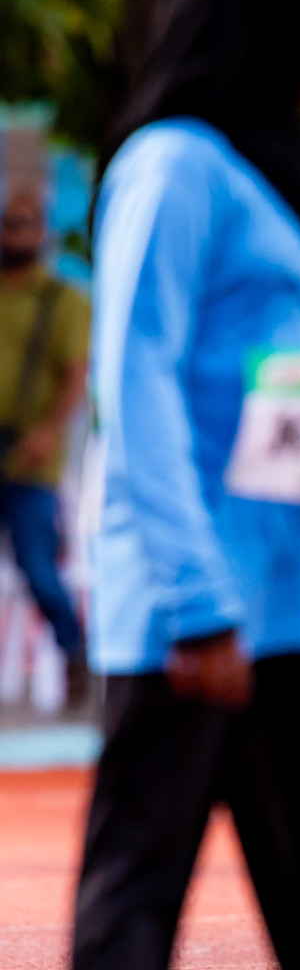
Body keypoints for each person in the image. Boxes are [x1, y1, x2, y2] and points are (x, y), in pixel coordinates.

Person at [73, 0, 300, 967]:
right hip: (197, 613)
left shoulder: (296, 172)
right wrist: (196, 597)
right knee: (136, 897)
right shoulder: (173, 169)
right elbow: (135, 383)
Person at [0, 189, 91, 703]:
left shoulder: (62, 301)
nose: (14, 234)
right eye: (8, 223)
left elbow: (76, 376)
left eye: (24, 223)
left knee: (39, 567)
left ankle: (74, 652)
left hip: (31, 459)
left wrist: (49, 431)